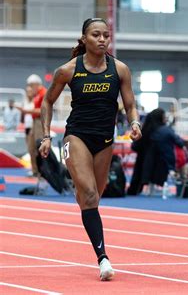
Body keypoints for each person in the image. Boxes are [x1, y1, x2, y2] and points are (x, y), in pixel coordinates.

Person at [38, 18, 142, 281]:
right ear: (84, 39)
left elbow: (130, 104)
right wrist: (46, 136)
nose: (102, 39)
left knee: (93, 197)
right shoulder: (69, 70)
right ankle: (103, 259)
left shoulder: (120, 70)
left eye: (106, 35)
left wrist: (135, 122)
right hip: (76, 137)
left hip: (105, 140)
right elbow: (47, 102)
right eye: (96, 35)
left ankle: (83, 196)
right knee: (90, 195)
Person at [141, 108, 185, 197]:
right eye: (165, 116)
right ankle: (184, 186)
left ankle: (151, 186)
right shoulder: (167, 130)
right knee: (184, 161)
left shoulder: (148, 130)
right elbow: (180, 143)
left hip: (151, 163)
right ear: (161, 118)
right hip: (166, 161)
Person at [16, 74, 47, 175]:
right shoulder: (36, 94)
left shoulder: (43, 93)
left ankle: (42, 172)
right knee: (32, 148)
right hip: (34, 122)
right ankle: (36, 171)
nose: (29, 88)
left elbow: (43, 110)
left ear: (36, 84)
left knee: (39, 147)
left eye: (31, 85)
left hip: (40, 121)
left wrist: (27, 111)